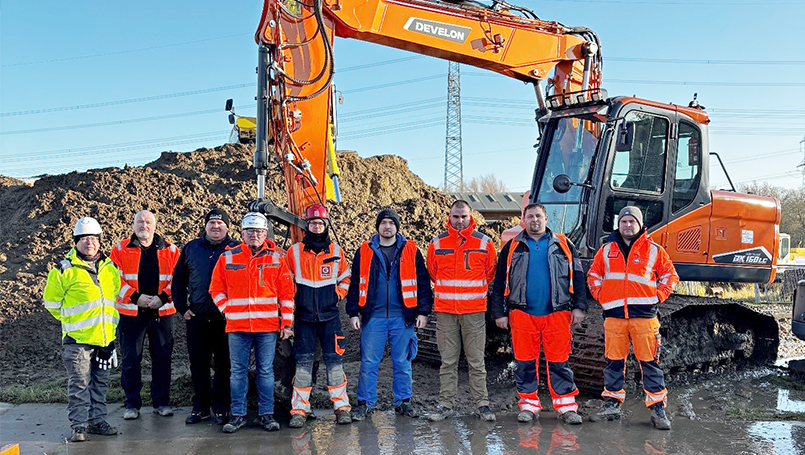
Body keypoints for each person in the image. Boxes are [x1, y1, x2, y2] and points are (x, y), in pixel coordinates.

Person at [489, 203, 587, 425]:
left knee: (559, 362)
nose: (534, 220)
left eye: (538, 216)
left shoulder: (563, 244)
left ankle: (566, 406)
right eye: (530, 216)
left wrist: (579, 306)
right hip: (522, 314)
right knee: (524, 362)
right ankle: (529, 405)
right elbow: (499, 282)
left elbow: (578, 276)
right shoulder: (512, 246)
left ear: (546, 219)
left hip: (558, 313)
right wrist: (499, 313)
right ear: (523, 220)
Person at [587, 206, 679, 430]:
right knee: (613, 363)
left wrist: (658, 295)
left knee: (649, 364)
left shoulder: (654, 250)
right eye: (624, 222)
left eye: (632, 222)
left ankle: (657, 409)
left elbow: (670, 275)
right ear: (619, 225)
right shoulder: (607, 249)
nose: (628, 225)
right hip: (614, 317)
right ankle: (611, 405)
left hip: (644, 318)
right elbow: (593, 274)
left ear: (640, 225)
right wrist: (601, 295)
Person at [209, 212, 295, 433]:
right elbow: (216, 289)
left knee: (265, 371)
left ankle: (267, 415)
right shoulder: (228, 257)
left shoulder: (277, 258)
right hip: (237, 327)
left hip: (267, 327)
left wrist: (286, 323)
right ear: (242, 233)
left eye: (258, 231)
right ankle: (238, 415)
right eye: (250, 231)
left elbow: (286, 293)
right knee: (237, 372)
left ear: (265, 233)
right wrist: (226, 309)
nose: (254, 235)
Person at [345, 208, 433, 421]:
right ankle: (365, 403)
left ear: (396, 227)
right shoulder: (365, 250)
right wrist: (353, 312)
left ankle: (403, 401)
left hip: (402, 317)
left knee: (402, 362)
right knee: (368, 363)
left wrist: (423, 311)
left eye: (391, 223)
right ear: (377, 227)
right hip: (372, 317)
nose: (387, 227)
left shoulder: (411, 250)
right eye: (383, 223)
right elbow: (355, 282)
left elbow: (422, 283)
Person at [43, 218, 121, 442]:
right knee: (80, 385)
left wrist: (109, 337)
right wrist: (72, 323)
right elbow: (51, 304)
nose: (90, 243)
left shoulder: (110, 268)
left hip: (104, 340)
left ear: (99, 242)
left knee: (100, 384)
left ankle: (97, 421)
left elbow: (111, 300)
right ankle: (79, 426)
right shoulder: (63, 270)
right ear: (76, 241)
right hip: (77, 342)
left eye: (94, 239)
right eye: (85, 239)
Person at [425, 200, 497, 422]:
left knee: (476, 361)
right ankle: (445, 404)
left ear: (470, 217)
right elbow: (433, 273)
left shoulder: (485, 243)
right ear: (449, 217)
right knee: (448, 361)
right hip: (445, 312)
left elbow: (490, 273)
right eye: (455, 216)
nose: (459, 220)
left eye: (463, 216)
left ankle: (482, 404)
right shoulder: (436, 244)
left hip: (474, 312)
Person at [285, 204, 352, 428]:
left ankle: (342, 408)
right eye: (312, 223)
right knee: (303, 366)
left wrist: (336, 295)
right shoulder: (294, 252)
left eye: (320, 223)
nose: (316, 226)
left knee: (335, 364)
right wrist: (294, 302)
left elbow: (346, 279)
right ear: (307, 226)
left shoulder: (336, 251)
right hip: (303, 319)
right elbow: (285, 282)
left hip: (330, 317)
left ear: (325, 225)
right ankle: (299, 410)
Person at [110, 210, 180, 420]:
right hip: (132, 314)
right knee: (131, 359)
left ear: (155, 225)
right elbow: (114, 280)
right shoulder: (120, 249)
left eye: (148, 222)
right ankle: (132, 403)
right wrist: (135, 297)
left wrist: (163, 297)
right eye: (140, 222)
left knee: (162, 358)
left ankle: (161, 402)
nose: (144, 225)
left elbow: (177, 280)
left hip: (163, 313)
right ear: (133, 225)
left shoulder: (171, 250)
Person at [172, 208, 239, 425]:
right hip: (198, 317)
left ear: (228, 227)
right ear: (205, 226)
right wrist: (182, 308)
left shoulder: (237, 248)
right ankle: (200, 407)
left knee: (224, 364)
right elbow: (178, 280)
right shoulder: (192, 248)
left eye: (220, 223)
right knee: (198, 364)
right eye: (212, 223)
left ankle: (221, 407)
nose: (216, 227)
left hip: (226, 319)